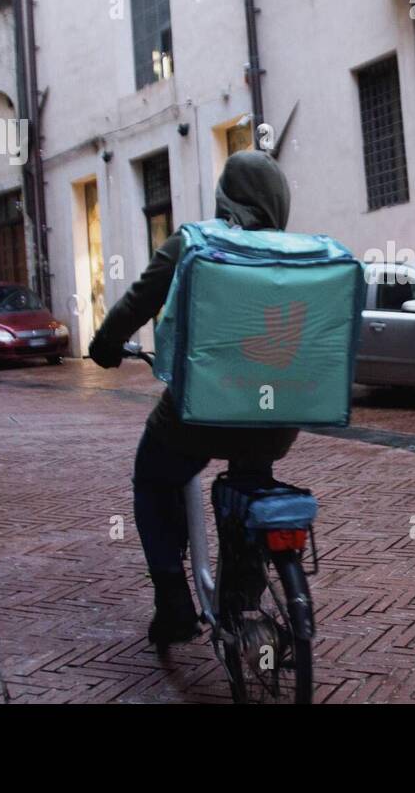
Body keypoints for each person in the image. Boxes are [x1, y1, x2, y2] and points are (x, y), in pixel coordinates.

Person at [87, 150, 299, 646]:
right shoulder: (294, 253)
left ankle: (174, 603)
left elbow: (137, 303)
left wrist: (103, 347)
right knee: (252, 484)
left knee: (153, 477)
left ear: (226, 198)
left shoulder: (193, 242)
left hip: (201, 410)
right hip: (274, 416)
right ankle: (244, 596)